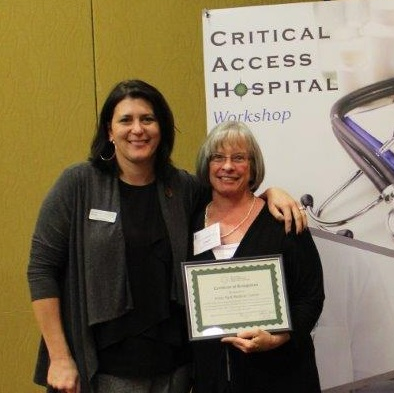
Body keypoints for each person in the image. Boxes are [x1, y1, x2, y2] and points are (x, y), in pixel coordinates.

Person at [27, 79, 308, 393]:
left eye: (148, 119)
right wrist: (60, 357)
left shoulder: (183, 188)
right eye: (126, 120)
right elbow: (41, 269)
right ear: (109, 131)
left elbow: (233, 192)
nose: (138, 129)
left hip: (175, 367)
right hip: (106, 369)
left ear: (161, 129)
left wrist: (272, 193)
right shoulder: (78, 184)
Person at [190, 121, 325, 393]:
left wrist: (277, 338)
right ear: (207, 165)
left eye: (239, 158)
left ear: (253, 167)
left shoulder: (282, 220)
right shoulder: (190, 219)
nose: (227, 166)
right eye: (218, 157)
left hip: (281, 376)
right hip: (213, 378)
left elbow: (311, 296)